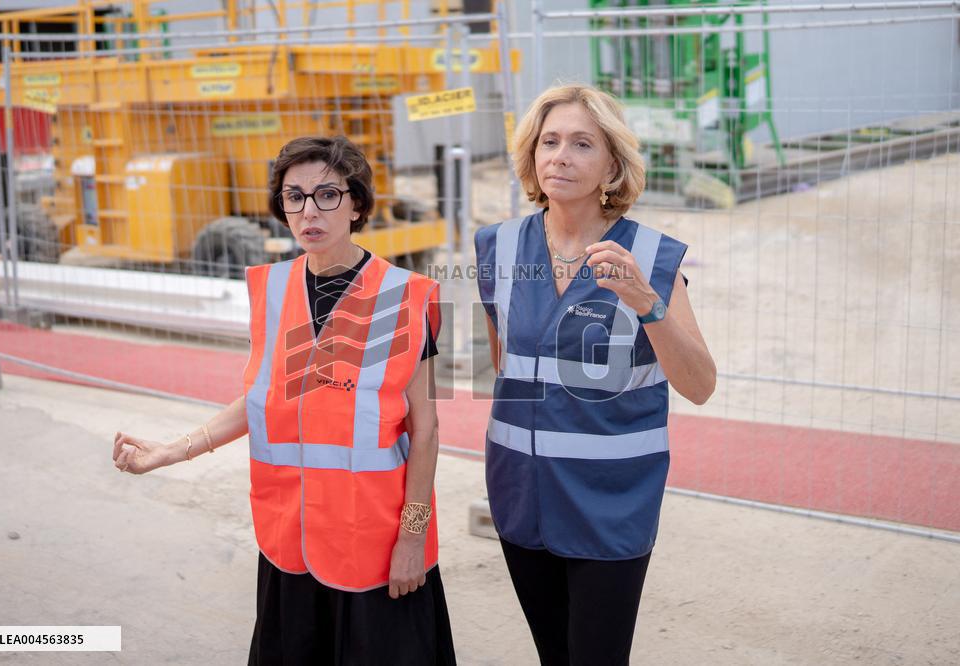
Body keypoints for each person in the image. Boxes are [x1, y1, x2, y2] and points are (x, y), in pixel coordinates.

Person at [112, 135, 456, 665]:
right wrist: (170, 451)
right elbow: (258, 402)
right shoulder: (273, 289)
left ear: (357, 203)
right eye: (294, 197)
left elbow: (427, 430)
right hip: (290, 542)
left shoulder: (408, 297)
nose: (308, 211)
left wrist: (413, 538)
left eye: (327, 195)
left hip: (375, 545)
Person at [475, 84, 717, 665]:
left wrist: (646, 302)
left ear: (612, 162)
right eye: (549, 141)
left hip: (611, 501)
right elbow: (505, 364)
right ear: (532, 154)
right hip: (520, 494)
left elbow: (700, 385)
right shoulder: (496, 247)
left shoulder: (652, 257)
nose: (561, 155)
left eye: (582, 144)